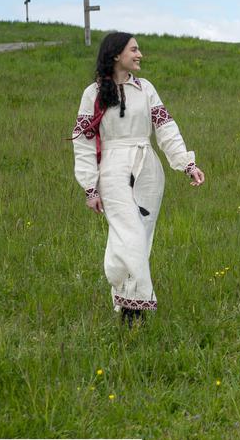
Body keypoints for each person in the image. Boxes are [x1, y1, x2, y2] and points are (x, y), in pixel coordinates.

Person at [71, 32, 205, 326]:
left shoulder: (146, 89)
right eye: (134, 49)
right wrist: (90, 187)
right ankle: (131, 302)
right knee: (126, 234)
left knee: (141, 236)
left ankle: (131, 308)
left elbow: (166, 129)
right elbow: (82, 142)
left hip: (147, 169)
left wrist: (186, 164)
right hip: (112, 170)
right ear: (117, 54)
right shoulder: (92, 94)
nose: (140, 54)